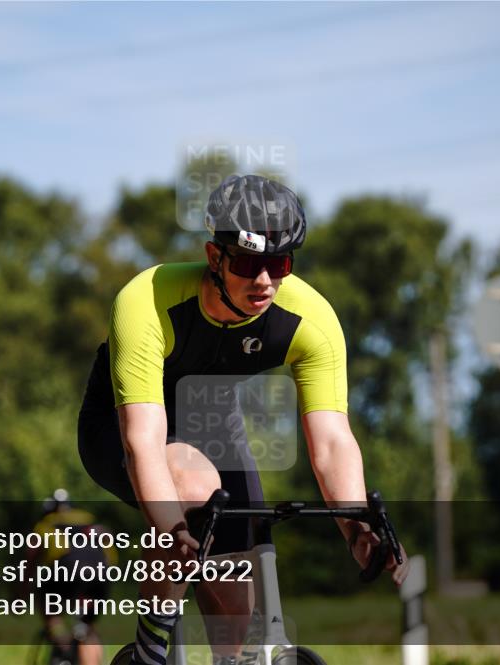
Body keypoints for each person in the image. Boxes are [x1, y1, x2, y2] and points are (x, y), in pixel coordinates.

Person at [77, 174, 408, 665]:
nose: (265, 281)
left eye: (280, 264)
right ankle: (150, 647)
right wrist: (170, 530)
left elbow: (333, 442)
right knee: (192, 486)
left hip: (213, 424)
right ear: (215, 258)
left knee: (238, 590)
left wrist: (356, 524)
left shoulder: (309, 320)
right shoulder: (147, 300)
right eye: (250, 264)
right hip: (122, 426)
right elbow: (142, 443)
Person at [27, 488, 113, 665]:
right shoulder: (89, 520)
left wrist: (20, 594)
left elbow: (30, 563)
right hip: (100, 574)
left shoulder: (46, 524)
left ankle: (63, 647)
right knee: (87, 626)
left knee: (50, 611)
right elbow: (110, 556)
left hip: (65, 570)